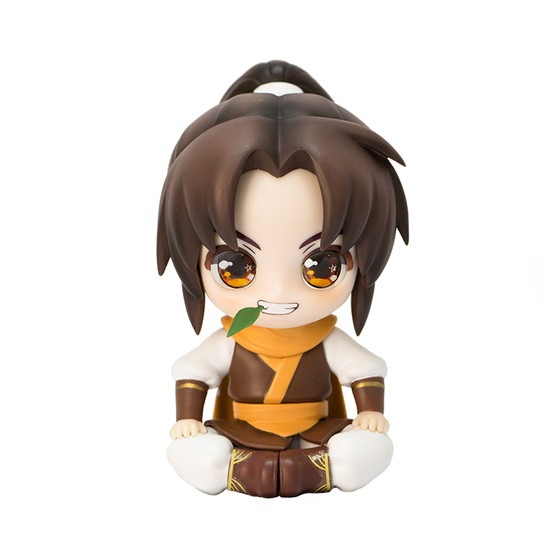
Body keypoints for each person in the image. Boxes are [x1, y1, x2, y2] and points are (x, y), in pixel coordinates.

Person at [157, 60, 408, 497]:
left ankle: (316, 469)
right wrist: (188, 419)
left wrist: (370, 413)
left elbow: (365, 369)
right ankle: (241, 469)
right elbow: (193, 371)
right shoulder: (232, 338)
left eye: (322, 266)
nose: (276, 293)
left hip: (318, 430)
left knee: (368, 448)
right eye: (235, 267)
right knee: (191, 452)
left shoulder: (326, 339)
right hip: (243, 431)